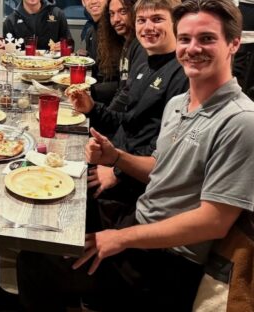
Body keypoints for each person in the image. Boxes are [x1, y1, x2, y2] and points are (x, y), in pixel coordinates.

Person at [17, 0, 254, 311]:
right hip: (138, 222)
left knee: (37, 263)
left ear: (233, 43)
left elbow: (214, 222)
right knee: (46, 230)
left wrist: (122, 238)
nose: (192, 48)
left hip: (169, 260)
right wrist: (116, 157)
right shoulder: (179, 104)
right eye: (185, 39)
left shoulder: (241, 121)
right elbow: (159, 170)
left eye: (207, 38)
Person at [70, 0, 187, 231]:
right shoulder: (144, 61)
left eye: (157, 19)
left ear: (175, 23)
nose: (147, 27)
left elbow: (163, 153)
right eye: (142, 20)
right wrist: (92, 108)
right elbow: (127, 120)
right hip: (117, 157)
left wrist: (116, 169)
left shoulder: (182, 74)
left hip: (134, 184)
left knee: (66, 202)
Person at [97, 0, 147, 110]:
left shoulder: (141, 45)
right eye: (112, 14)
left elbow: (129, 93)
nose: (116, 19)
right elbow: (121, 88)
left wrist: (105, 119)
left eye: (123, 12)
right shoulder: (125, 43)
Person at [2, 0, 72, 51]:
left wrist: (64, 46)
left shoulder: (57, 14)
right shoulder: (10, 21)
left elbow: (70, 45)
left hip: (54, 66)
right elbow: (8, 54)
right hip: (21, 68)